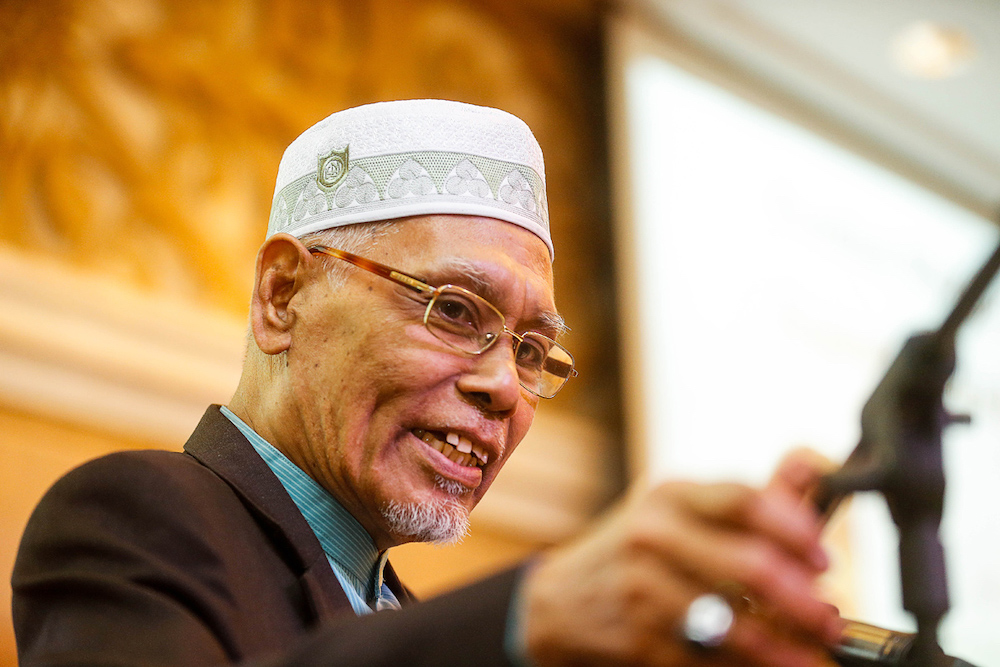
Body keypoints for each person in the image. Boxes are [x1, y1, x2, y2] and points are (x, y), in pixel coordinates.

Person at [12, 99, 843, 667]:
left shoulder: (404, 617)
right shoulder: (134, 516)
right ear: (282, 295)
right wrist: (527, 617)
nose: (505, 389)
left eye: (530, 348)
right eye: (452, 308)